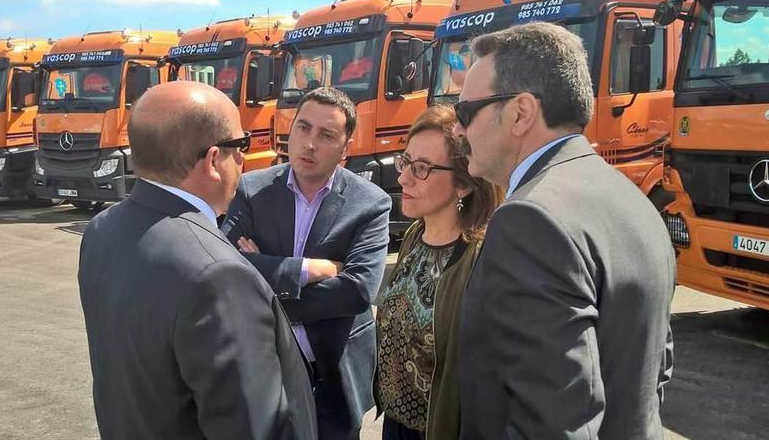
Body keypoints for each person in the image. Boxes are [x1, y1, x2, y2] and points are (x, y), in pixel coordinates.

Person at [453, 22, 676, 439]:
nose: (458, 129)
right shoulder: (633, 200)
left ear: (520, 113)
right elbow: (654, 370)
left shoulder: (529, 219)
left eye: (464, 112)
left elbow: (554, 424)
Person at [78, 81, 316, 440]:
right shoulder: (218, 274)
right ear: (213, 161)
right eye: (241, 145)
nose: (244, 159)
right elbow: (253, 428)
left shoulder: (102, 228)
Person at [222, 86, 391, 440]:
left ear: (346, 148)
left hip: (332, 372)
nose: (309, 143)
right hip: (267, 369)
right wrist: (310, 270)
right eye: (303, 127)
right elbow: (225, 266)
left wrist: (261, 268)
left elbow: (357, 292)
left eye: (326, 135)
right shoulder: (251, 190)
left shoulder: (370, 204)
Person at [374, 105, 501, 440]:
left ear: (463, 185)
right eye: (405, 162)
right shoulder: (415, 236)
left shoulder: (481, 257)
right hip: (393, 425)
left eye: (422, 168)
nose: (403, 177)